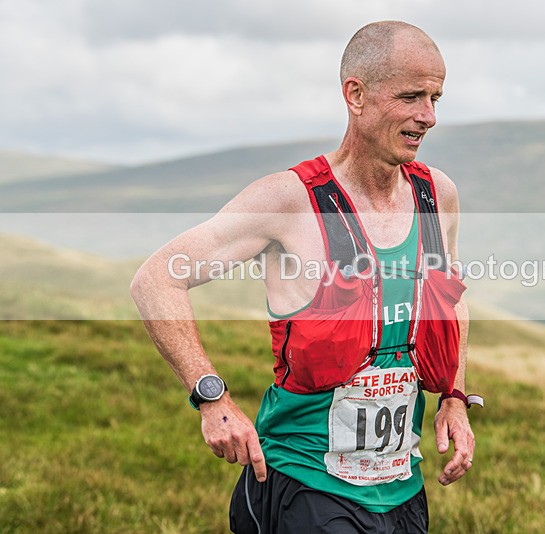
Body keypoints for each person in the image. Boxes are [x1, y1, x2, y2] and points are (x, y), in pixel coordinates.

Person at [130, 20, 475, 533]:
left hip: (402, 490)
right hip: (305, 486)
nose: (427, 116)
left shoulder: (436, 195)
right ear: (355, 94)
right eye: (410, 97)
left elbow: (448, 300)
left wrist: (453, 396)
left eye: (435, 98)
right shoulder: (289, 201)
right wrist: (212, 399)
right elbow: (157, 278)